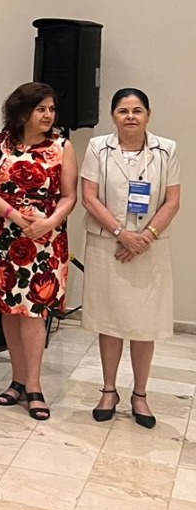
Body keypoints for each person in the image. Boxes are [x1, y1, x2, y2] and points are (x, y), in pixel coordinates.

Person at [0, 81, 78, 421]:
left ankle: (34, 386)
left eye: (52, 109)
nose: (48, 115)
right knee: (9, 309)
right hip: (3, 235)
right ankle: (17, 380)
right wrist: (15, 217)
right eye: (41, 109)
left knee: (34, 312)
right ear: (22, 111)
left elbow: (69, 196)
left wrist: (50, 222)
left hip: (44, 240)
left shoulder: (62, 146)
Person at [81, 88, 181, 430]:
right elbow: (89, 197)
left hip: (150, 248)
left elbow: (172, 200)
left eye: (137, 110)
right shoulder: (98, 147)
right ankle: (108, 391)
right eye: (123, 111)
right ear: (113, 116)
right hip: (107, 245)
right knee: (109, 320)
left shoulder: (167, 149)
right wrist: (121, 233)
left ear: (148, 115)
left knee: (144, 324)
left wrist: (145, 237)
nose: (130, 117)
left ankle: (140, 394)